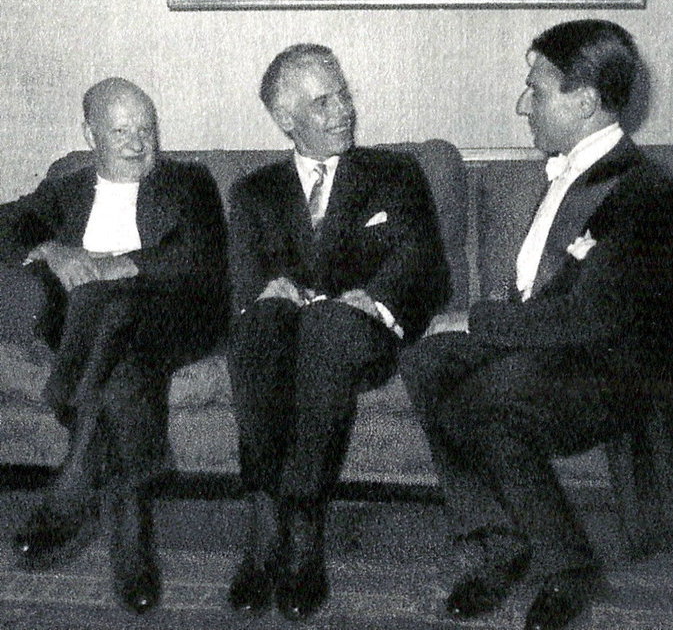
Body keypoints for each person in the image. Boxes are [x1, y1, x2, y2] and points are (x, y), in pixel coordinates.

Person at [399, 20, 673, 630]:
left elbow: (585, 318)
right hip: (559, 350)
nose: (523, 104)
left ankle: (566, 565)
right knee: (425, 358)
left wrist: (476, 320)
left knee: (479, 402)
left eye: (536, 90)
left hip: (614, 373)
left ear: (587, 102)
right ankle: (500, 536)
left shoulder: (645, 193)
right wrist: (464, 329)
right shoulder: (572, 167)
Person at [226, 44, 450, 620]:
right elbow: (244, 280)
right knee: (260, 326)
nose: (344, 110)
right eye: (323, 102)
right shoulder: (255, 192)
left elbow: (421, 260)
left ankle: (298, 526)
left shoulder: (393, 173)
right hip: (281, 339)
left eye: (344, 93)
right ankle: (263, 517)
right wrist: (265, 292)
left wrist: (373, 299)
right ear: (285, 120)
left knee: (326, 323)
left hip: (363, 333)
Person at [0, 78, 228, 614]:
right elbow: (5, 223)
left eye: (146, 129)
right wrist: (54, 250)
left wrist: (105, 269)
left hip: (175, 318)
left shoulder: (189, 181)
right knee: (122, 368)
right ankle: (132, 527)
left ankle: (74, 478)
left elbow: (193, 255)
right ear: (90, 133)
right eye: (121, 131)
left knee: (109, 302)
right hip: (97, 336)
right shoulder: (66, 188)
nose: (137, 143)